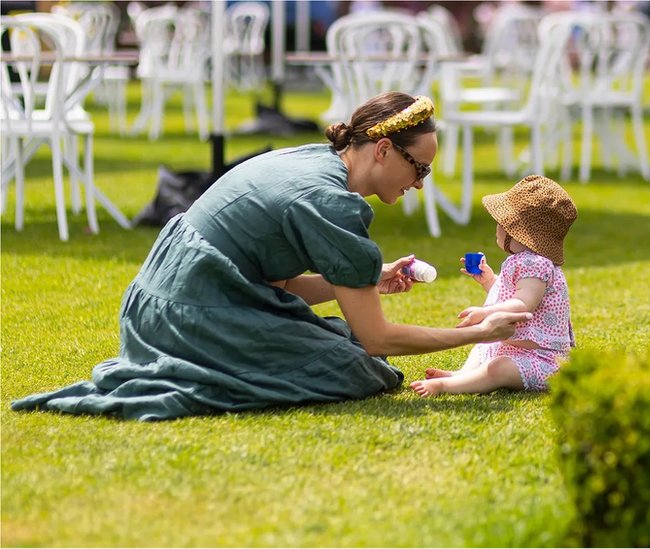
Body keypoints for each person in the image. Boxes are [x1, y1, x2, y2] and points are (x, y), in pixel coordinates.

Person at [11, 92, 531, 421]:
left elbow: (273, 283)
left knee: (342, 339)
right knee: (362, 367)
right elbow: (378, 339)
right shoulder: (333, 203)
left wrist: (363, 281)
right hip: (193, 315)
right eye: (420, 169)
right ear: (383, 151)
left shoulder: (309, 161)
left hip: (156, 303)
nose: (420, 184)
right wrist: (479, 334)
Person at [410, 175, 577, 397]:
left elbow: (523, 304)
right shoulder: (527, 262)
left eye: (502, 222)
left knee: (498, 368)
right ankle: (462, 375)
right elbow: (514, 294)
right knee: (484, 347)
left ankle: (446, 386)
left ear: (517, 232)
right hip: (513, 349)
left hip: (542, 359)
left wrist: (486, 312)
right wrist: (490, 281)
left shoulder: (536, 264)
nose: (497, 227)